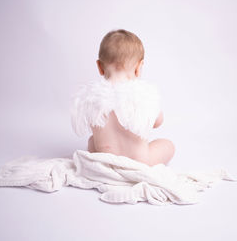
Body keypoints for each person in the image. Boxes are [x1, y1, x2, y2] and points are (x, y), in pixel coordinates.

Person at [70, 29, 175, 166]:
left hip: (105, 161)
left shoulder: (91, 97)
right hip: (139, 162)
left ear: (100, 67)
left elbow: (93, 123)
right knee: (168, 145)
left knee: (91, 141)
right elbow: (158, 122)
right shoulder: (144, 94)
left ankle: (107, 164)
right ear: (139, 67)